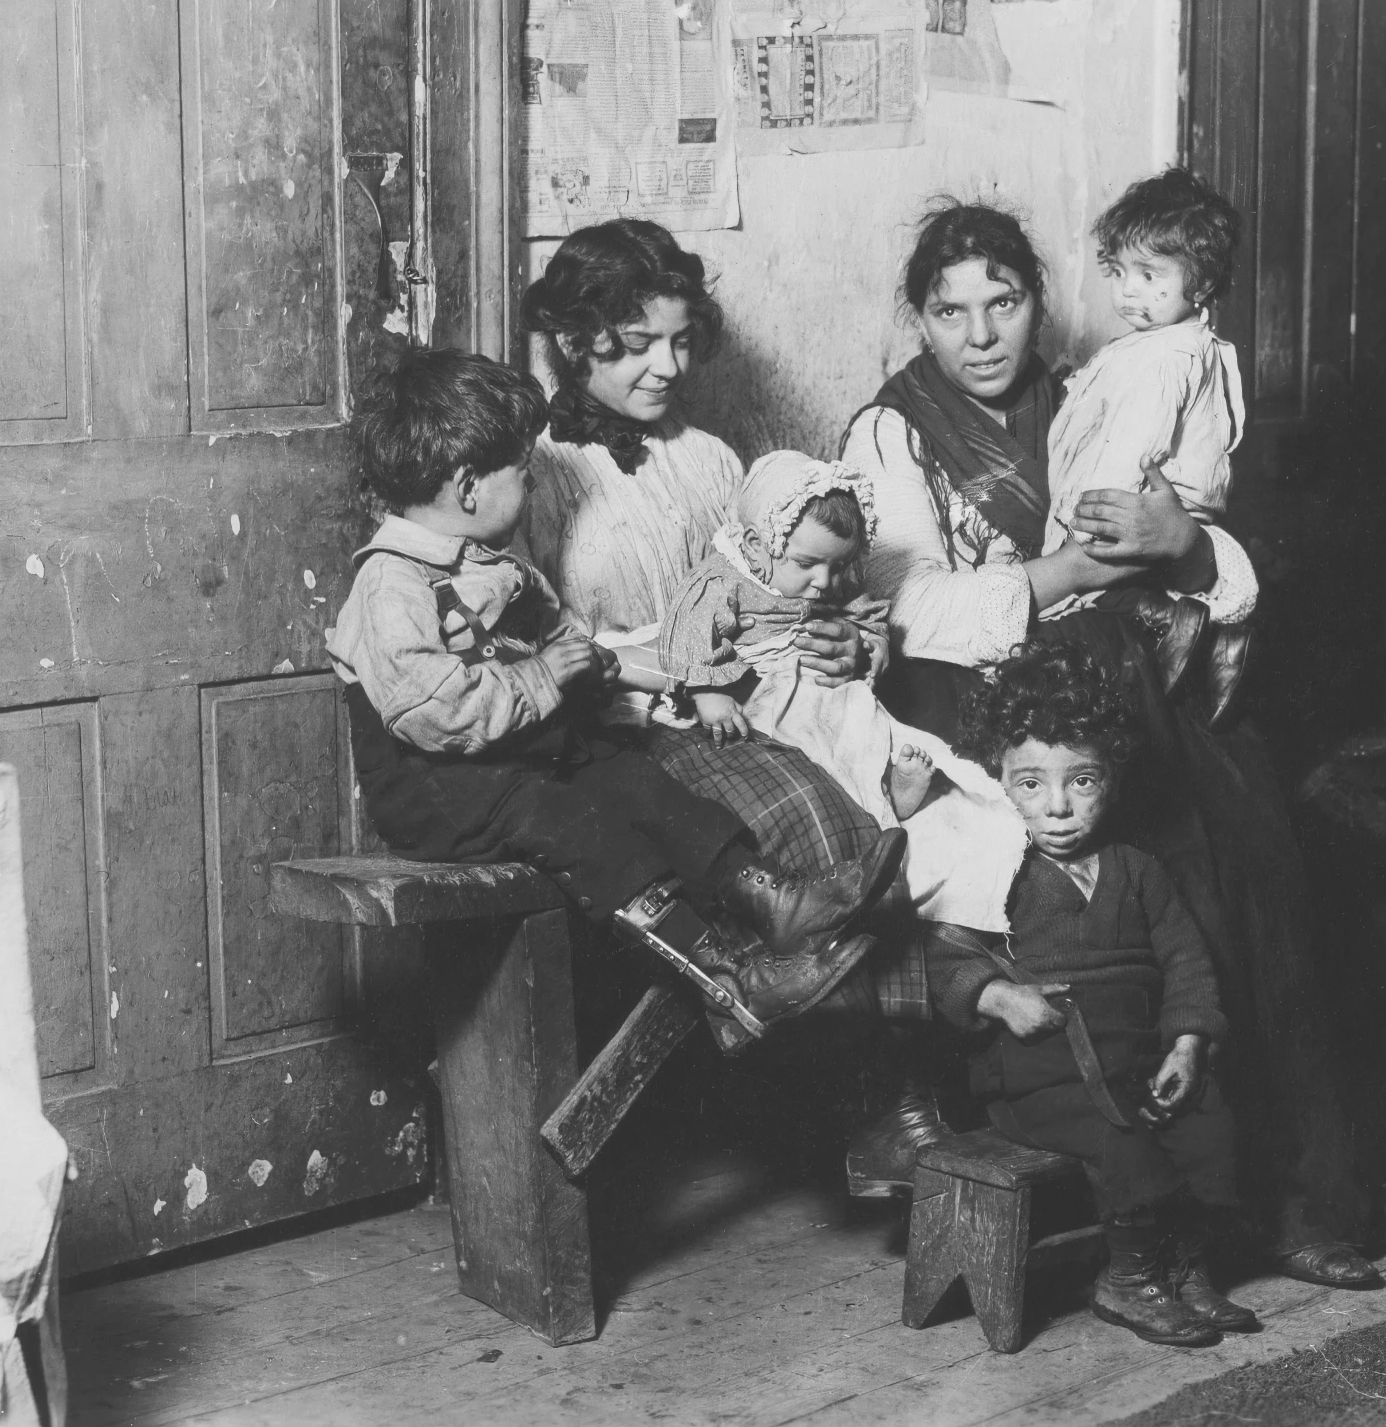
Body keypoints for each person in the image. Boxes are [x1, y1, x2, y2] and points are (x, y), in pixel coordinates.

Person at [843, 199, 1380, 1288]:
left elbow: (1228, 576)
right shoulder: (891, 433)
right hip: (976, 718)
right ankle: (1182, 1212)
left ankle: (1297, 1194)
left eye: (1005, 302)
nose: (981, 333)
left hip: (1129, 694)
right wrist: (1066, 578)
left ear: (1042, 304)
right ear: (919, 319)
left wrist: (1184, 544)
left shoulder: (1109, 388)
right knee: (1157, 851)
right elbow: (907, 615)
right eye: (951, 311)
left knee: (1254, 847)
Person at [520, 219, 955, 1197]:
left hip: (758, 702)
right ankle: (879, 1104)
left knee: (880, 814)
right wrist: (654, 683)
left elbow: (799, 584)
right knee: (812, 814)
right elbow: (535, 646)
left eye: (681, 340)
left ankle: (899, 1103)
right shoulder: (539, 471)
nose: (669, 365)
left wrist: (850, 640)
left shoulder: (715, 460)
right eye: (638, 345)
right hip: (627, 729)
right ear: (576, 338)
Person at [326, 345, 908, 1040]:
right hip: (439, 789)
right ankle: (727, 978)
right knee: (580, 826)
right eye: (523, 473)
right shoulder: (391, 584)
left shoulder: (494, 565)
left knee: (633, 777)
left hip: (509, 760)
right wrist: (545, 674)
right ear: (467, 485)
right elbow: (434, 713)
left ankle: (773, 900)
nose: (534, 487)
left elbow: (570, 649)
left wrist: (609, 669)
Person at [930, 641, 1250, 1347]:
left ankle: (1182, 1268)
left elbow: (1186, 961)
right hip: (1039, 1072)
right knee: (1121, 1144)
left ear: (1113, 778)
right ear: (997, 782)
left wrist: (1187, 1042)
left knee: (1209, 1129)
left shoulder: (1136, 869)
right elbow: (944, 958)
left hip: (1130, 1058)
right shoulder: (991, 870)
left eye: (1082, 781)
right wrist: (998, 998)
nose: (1059, 808)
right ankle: (1127, 1280)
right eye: (1030, 785)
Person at [659, 450, 1027, 930]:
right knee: (821, 753)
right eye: (808, 564)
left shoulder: (825, 578)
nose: (823, 582)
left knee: (868, 730)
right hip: (771, 699)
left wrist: (870, 642)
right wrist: (708, 693)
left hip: (830, 691)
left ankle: (892, 793)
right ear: (755, 544)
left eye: (837, 566)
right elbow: (685, 629)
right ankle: (879, 814)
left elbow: (864, 612)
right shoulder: (723, 581)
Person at [1043, 167, 1250, 704]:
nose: (1128, 290)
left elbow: (1134, 443)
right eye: (1118, 272)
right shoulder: (1182, 341)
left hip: (1147, 506)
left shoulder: (1162, 357)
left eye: (1150, 274)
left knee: (1105, 593)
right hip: (1181, 507)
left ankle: (1170, 620)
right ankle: (1217, 638)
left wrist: (1085, 527)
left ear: (1201, 282)